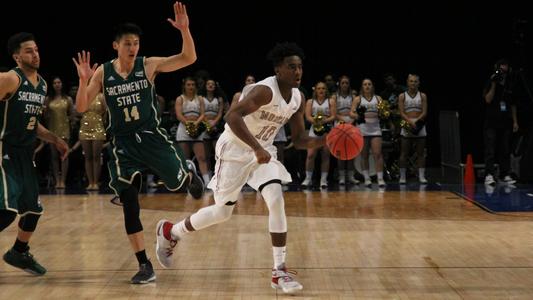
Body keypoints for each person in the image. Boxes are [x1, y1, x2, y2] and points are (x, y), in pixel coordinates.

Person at [155, 42, 324, 294]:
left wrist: (327, 140)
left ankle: (279, 270)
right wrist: (256, 147)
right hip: (234, 150)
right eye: (292, 67)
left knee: (276, 198)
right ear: (278, 70)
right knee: (222, 213)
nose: (298, 72)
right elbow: (231, 116)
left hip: (263, 153)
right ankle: (171, 230)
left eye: (300, 67)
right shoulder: (265, 91)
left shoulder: (298, 98)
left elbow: (299, 140)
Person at [72, 1, 205, 284]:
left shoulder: (149, 65)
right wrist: (84, 81)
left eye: (136, 43)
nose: (133, 48)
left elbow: (188, 58)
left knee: (179, 185)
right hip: (122, 145)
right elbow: (82, 107)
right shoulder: (103, 73)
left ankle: (189, 174)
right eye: (128, 43)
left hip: (152, 138)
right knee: (130, 202)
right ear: (116, 46)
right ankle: (145, 264)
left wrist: (185, 30)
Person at [0, 32, 69, 276]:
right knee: (7, 209)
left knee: (33, 210)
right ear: (17, 56)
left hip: (24, 154)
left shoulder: (41, 84)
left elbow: (32, 122)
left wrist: (55, 139)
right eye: (29, 51)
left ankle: (19, 252)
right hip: (3, 151)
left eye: (37, 49)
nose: (35, 54)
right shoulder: (10, 78)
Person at [482, 58, 519, 185]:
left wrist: (515, 121)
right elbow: (487, 99)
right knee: (490, 149)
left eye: (506, 66)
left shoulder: (510, 83)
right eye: (501, 66)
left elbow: (513, 104)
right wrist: (493, 84)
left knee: (505, 149)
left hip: (505, 121)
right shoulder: (491, 81)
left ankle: (505, 174)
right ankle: (489, 175)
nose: (504, 69)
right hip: (492, 121)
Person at [350, 78, 386, 187]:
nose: (367, 86)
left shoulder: (378, 98)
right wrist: (357, 116)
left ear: (372, 86)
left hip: (375, 128)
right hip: (363, 129)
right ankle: (366, 178)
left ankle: (380, 178)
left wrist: (384, 113)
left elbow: (384, 111)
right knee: (364, 155)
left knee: (377, 154)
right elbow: (351, 113)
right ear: (362, 87)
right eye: (365, 84)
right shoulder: (358, 99)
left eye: (369, 84)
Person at [301, 81, 337, 188]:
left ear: (326, 90)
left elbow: (333, 116)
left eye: (323, 88)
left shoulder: (331, 101)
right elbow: (307, 116)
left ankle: (323, 180)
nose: (321, 90)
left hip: (327, 129)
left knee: (325, 154)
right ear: (315, 90)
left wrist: (324, 121)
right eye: (319, 88)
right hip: (314, 129)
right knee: (311, 155)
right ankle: (308, 179)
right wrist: (316, 121)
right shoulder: (310, 102)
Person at [43, 76, 76, 189]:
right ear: (52, 85)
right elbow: (45, 115)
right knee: (54, 156)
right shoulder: (48, 99)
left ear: (62, 84)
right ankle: (57, 180)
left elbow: (72, 114)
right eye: (55, 82)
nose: (57, 84)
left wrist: (70, 125)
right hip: (52, 129)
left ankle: (63, 181)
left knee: (64, 155)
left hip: (64, 128)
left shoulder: (68, 99)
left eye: (59, 82)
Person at [397, 74, 428, 184]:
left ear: (418, 83)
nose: (413, 83)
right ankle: (402, 176)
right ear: (407, 82)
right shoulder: (402, 96)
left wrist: (417, 121)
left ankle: (421, 176)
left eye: (415, 81)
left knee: (421, 153)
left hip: (419, 125)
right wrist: (410, 121)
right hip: (407, 125)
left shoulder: (422, 96)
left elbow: (424, 112)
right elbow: (401, 112)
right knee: (404, 153)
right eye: (411, 81)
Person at [78, 93, 107, 190]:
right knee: (88, 157)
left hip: (98, 127)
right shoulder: (83, 95)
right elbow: (78, 110)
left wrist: (102, 122)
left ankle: (96, 182)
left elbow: (106, 111)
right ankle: (90, 182)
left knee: (96, 156)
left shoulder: (101, 96)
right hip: (85, 128)